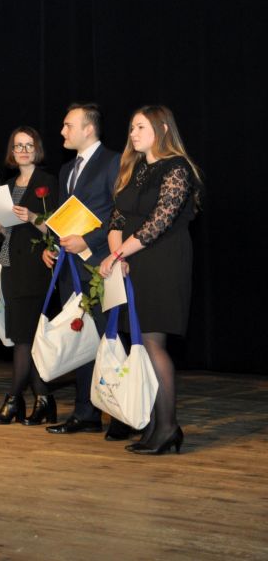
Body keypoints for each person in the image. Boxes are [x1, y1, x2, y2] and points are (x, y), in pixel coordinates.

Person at [98, 105, 202, 455]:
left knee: (152, 342)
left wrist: (118, 255)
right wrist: (119, 255)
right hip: (132, 261)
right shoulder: (135, 168)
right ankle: (157, 426)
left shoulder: (177, 168)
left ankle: (168, 427)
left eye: (140, 127)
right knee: (140, 344)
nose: (133, 133)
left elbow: (159, 221)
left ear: (162, 129)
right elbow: (117, 218)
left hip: (163, 262)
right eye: (131, 128)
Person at [41, 104, 130, 440]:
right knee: (80, 338)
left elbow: (121, 214)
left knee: (110, 338)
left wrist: (88, 241)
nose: (62, 132)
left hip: (102, 264)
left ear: (88, 129)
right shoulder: (67, 169)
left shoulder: (114, 162)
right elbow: (65, 216)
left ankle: (121, 415)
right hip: (71, 269)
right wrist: (53, 245)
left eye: (68, 126)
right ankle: (86, 413)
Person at [0, 127, 59, 425]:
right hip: (10, 266)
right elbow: (11, 233)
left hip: (35, 268)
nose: (23, 150)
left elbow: (55, 227)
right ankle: (44, 400)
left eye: (29, 145)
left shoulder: (47, 182)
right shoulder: (8, 185)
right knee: (24, 336)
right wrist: (1, 227)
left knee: (24, 340)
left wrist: (32, 216)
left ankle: (13, 400)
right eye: (18, 146)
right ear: (12, 152)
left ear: (37, 149)